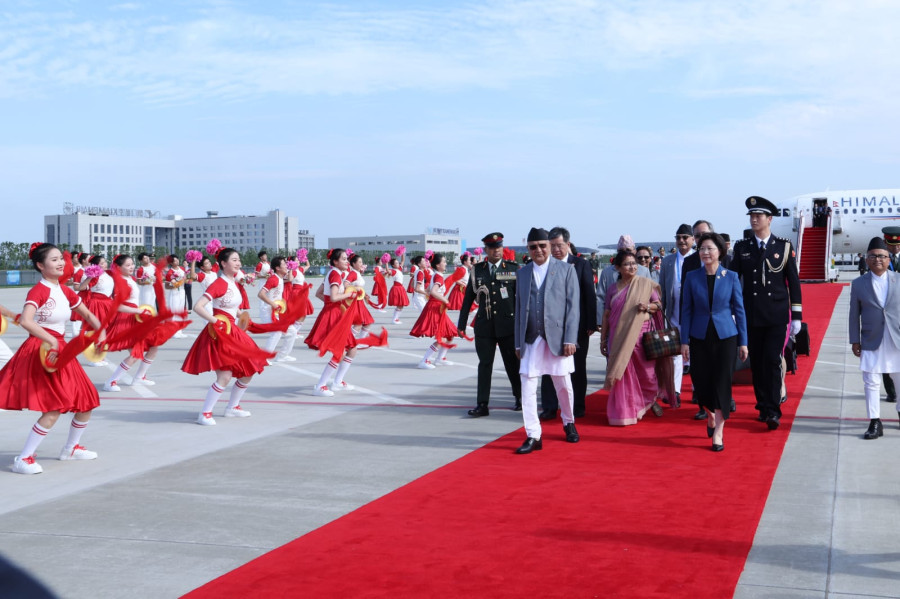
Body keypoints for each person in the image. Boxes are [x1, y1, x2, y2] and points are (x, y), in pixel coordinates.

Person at [0, 242, 106, 474]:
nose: (60, 263)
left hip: (60, 349)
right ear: (40, 265)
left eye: (61, 259)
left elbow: (88, 314)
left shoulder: (65, 291)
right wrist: (51, 340)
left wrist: (100, 332)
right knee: (54, 407)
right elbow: (26, 321)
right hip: (42, 350)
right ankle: (23, 458)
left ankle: (71, 448)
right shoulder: (38, 291)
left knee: (87, 400)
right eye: (54, 259)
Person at [730, 196, 803, 430]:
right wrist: (732, 310)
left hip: (775, 316)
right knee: (758, 363)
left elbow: (793, 282)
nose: (754, 219)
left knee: (772, 360)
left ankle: (772, 410)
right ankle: (762, 405)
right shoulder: (742, 247)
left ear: (769, 219)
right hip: (751, 315)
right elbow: (733, 280)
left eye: (758, 216)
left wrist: (797, 316)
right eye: (751, 216)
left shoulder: (783, 246)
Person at [182, 248, 270, 425]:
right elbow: (198, 306)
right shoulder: (219, 283)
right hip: (220, 333)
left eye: (239, 260)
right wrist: (216, 321)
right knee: (225, 375)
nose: (238, 263)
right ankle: (205, 413)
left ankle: (233, 407)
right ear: (223, 263)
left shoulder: (232, 282)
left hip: (233, 331)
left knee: (250, 369)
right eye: (234, 260)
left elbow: (230, 307)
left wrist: (242, 316)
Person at [513, 228, 580, 454]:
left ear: (550, 246)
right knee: (527, 386)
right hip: (531, 339)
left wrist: (570, 339)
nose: (539, 250)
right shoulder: (522, 273)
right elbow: (519, 309)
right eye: (533, 247)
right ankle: (533, 434)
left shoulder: (566, 270)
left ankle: (568, 422)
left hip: (558, 339)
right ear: (528, 249)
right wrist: (518, 343)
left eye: (543, 245)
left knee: (563, 385)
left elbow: (573, 308)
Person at [680, 233, 748, 452]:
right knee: (700, 381)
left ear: (720, 251)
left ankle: (719, 429)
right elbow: (686, 311)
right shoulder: (692, 277)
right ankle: (710, 414)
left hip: (726, 336)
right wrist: (684, 341)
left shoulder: (731, 277)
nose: (705, 252)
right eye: (702, 249)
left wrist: (743, 342)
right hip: (699, 336)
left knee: (722, 381)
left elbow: (740, 310)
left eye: (710, 248)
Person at [601, 250, 669, 425]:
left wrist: (647, 306)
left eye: (634, 263)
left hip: (639, 336)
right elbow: (607, 314)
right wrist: (603, 339)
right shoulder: (612, 289)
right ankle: (624, 412)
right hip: (617, 337)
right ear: (618, 268)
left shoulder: (645, 284)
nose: (632, 267)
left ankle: (648, 399)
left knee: (646, 373)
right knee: (621, 372)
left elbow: (658, 305)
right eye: (627, 264)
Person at [457, 232, 522, 416]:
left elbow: (521, 299)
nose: (496, 250)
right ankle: (482, 404)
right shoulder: (477, 270)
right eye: (492, 248)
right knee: (485, 365)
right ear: (486, 250)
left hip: (508, 326)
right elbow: (468, 299)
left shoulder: (513, 269)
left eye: (499, 247)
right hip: (485, 326)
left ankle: (520, 397)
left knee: (512, 364)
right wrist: (461, 324)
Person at [539, 227, 597, 419]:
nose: (556, 250)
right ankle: (549, 406)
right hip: (551, 327)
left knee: (577, 367)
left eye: (559, 245)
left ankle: (577, 405)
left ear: (568, 244)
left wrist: (591, 323)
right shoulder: (545, 265)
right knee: (549, 367)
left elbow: (589, 294)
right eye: (552, 246)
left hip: (578, 326)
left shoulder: (580, 264)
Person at [849, 237, 900, 440]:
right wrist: (855, 340)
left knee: (899, 379)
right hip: (871, 338)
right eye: (872, 256)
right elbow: (854, 314)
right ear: (866, 259)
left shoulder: (898, 280)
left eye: (881, 256)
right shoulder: (858, 284)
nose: (877, 259)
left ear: (888, 259)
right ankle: (875, 422)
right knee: (871, 380)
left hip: (896, 338)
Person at [305, 249, 360, 396]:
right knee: (340, 351)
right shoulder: (335, 274)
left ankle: (337, 382)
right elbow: (334, 297)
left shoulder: (334, 273)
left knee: (351, 348)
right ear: (335, 261)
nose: (347, 261)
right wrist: (349, 294)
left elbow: (319, 293)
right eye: (343, 259)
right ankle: (321, 386)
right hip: (333, 315)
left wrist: (330, 304)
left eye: (347, 258)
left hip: (334, 313)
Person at [658, 223, 694, 409]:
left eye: (685, 237)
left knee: (694, 353)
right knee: (675, 354)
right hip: (673, 314)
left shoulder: (698, 259)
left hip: (694, 315)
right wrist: (661, 315)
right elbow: (663, 290)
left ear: (693, 239)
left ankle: (697, 390)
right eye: (678, 237)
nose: (681, 241)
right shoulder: (668, 261)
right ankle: (675, 392)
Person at [410, 253, 458, 368]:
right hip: (435, 308)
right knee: (442, 336)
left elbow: (428, 290)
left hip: (436, 307)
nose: (446, 263)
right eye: (444, 262)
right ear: (437, 265)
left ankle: (440, 358)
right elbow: (433, 292)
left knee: (450, 334)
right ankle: (425, 360)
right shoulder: (438, 277)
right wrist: (445, 300)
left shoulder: (435, 275)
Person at [596, 234, 651, 323]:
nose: (625, 253)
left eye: (628, 250)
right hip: (613, 321)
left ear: (634, 251)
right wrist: (600, 321)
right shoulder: (607, 272)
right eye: (621, 250)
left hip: (638, 321)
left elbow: (651, 297)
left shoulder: (644, 271)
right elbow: (600, 298)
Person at [881, 226, 900, 402]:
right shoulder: (880, 260)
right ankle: (891, 391)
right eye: (891, 245)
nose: (895, 248)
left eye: (898, 245)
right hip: (887, 314)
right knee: (887, 354)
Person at [164, 255, 188, 338]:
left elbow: (185, 279)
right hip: (174, 293)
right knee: (174, 311)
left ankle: (179, 331)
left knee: (180, 310)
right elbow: (166, 286)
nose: (177, 261)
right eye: (174, 260)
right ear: (171, 263)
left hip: (182, 291)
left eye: (177, 259)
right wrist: (174, 285)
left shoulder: (182, 269)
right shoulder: (170, 272)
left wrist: (183, 280)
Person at [387, 257, 409, 324]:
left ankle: (395, 319)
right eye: (396, 263)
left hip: (400, 288)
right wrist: (386, 262)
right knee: (399, 304)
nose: (398, 263)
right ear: (393, 265)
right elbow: (388, 271)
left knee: (401, 305)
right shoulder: (393, 271)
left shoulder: (399, 269)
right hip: (397, 288)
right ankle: (395, 319)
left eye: (397, 262)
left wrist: (402, 253)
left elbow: (403, 260)